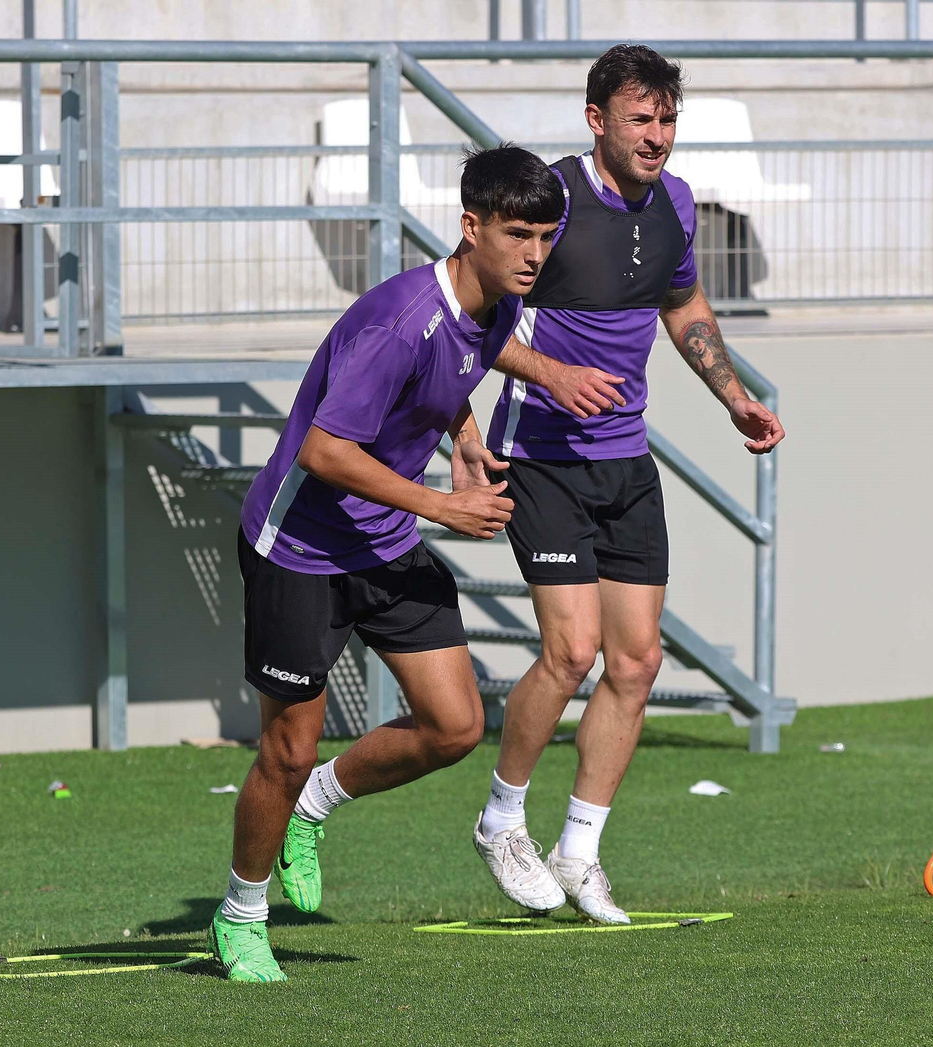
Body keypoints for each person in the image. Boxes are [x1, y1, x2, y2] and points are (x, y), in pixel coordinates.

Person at [210, 145, 628, 983]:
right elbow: (327, 450)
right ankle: (240, 914)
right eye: (519, 234)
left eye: (547, 234)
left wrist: (464, 440)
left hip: (385, 539)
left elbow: (458, 368)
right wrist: (442, 502)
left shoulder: (501, 299)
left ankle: (315, 807)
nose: (536, 253)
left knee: (456, 726)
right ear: (470, 228)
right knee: (285, 749)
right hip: (302, 547)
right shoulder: (398, 320)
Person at [472, 45, 787, 924]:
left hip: (623, 458)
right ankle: (501, 819)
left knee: (638, 661)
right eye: (641, 118)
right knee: (571, 652)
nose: (658, 135)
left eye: (668, 119)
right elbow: (472, 322)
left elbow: (683, 307)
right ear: (597, 120)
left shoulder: (677, 203)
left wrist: (734, 397)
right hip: (543, 451)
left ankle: (580, 851)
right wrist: (551, 374)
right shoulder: (551, 201)